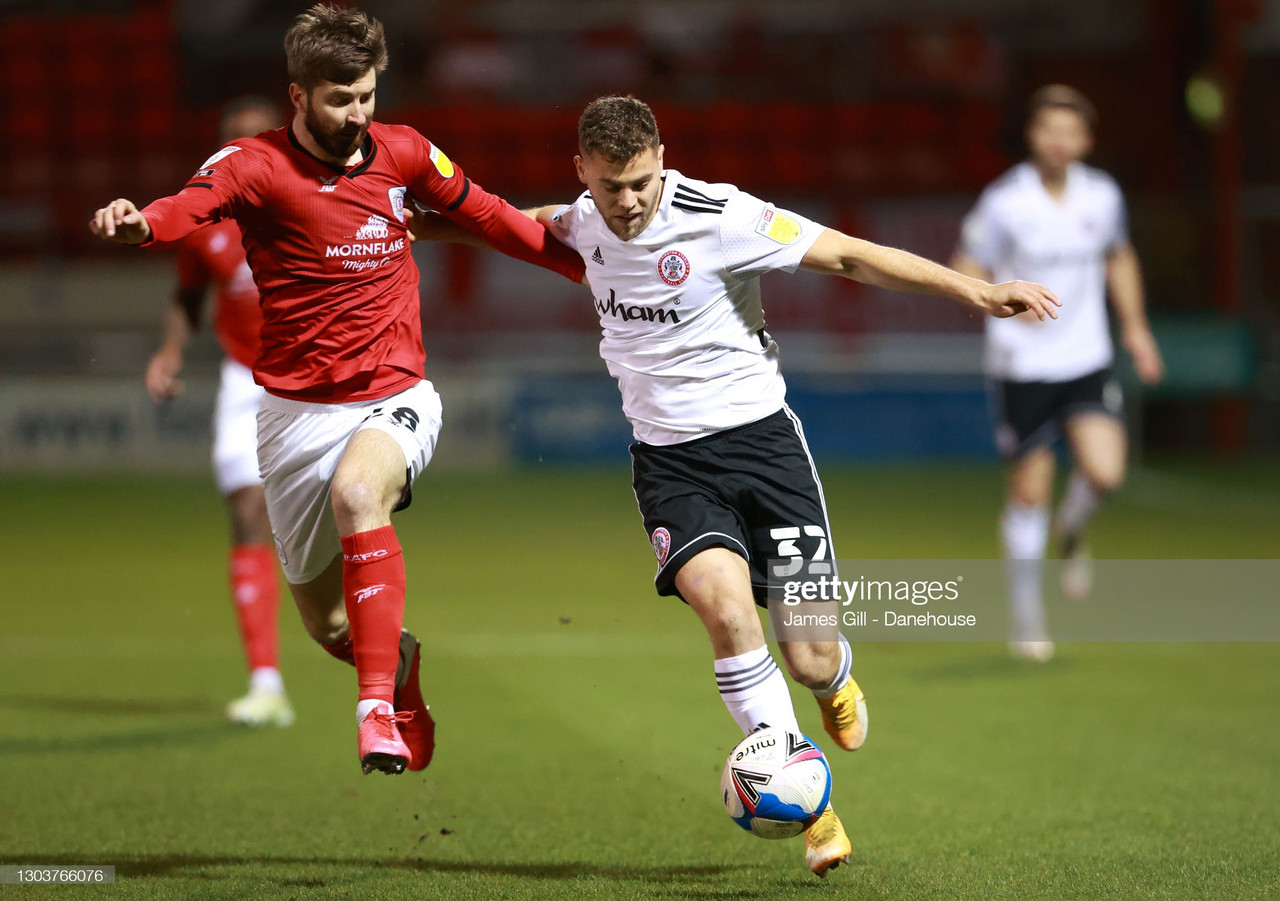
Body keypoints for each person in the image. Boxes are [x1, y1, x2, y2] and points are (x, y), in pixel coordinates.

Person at [417, 95, 1059, 876]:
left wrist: (979, 293)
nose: (629, 202)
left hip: (766, 453)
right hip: (670, 464)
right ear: (582, 171)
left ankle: (836, 678)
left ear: (663, 159)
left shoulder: (723, 215)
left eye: (643, 182)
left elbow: (851, 255)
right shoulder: (579, 222)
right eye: (612, 186)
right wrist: (387, 225)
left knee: (810, 652)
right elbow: (492, 223)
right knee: (724, 611)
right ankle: (814, 808)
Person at [92, 4, 585, 775]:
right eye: (339, 99)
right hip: (292, 417)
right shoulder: (253, 164)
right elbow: (184, 208)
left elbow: (488, 215)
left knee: (360, 495)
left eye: (367, 95)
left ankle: (375, 713)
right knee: (326, 626)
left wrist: (588, 271)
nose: (357, 114)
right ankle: (403, 675)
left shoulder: (406, 152)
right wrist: (139, 225)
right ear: (298, 97)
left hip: (395, 394)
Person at [950, 85, 1164, 662]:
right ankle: (1026, 616)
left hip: (1086, 358)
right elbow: (967, 265)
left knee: (1107, 473)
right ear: (1033, 136)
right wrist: (995, 301)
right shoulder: (1005, 201)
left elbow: (1119, 257)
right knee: (1029, 492)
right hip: (1023, 366)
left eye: (1071, 131)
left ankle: (1073, 529)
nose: (1060, 140)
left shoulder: (1102, 195)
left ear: (1086, 140)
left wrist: (1137, 329)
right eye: (1049, 128)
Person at [145, 96, 294, 728]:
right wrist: (171, 351)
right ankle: (265, 680)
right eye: (229, 138)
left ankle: (369, 660)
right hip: (243, 377)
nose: (240, 148)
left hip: (311, 375)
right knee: (244, 508)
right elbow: (187, 292)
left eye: (251, 136)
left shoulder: (301, 205)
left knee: (339, 511)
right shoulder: (204, 224)